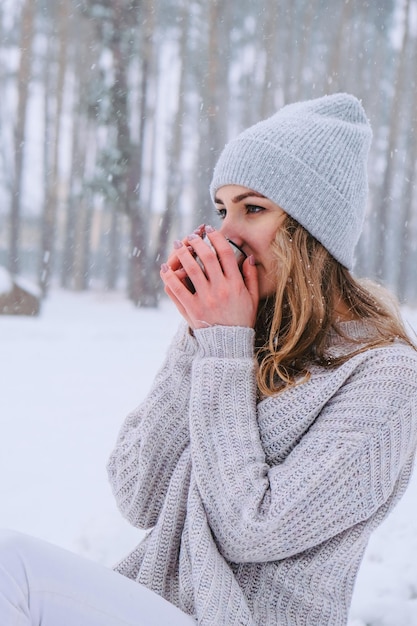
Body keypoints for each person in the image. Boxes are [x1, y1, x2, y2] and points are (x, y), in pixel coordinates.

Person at [1, 93, 417, 626]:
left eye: (253, 208)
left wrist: (222, 344)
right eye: (222, 210)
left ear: (311, 232)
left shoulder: (386, 376)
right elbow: (139, 495)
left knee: (9, 566)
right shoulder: (241, 333)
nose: (226, 235)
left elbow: (252, 528)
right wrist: (200, 339)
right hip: (158, 605)